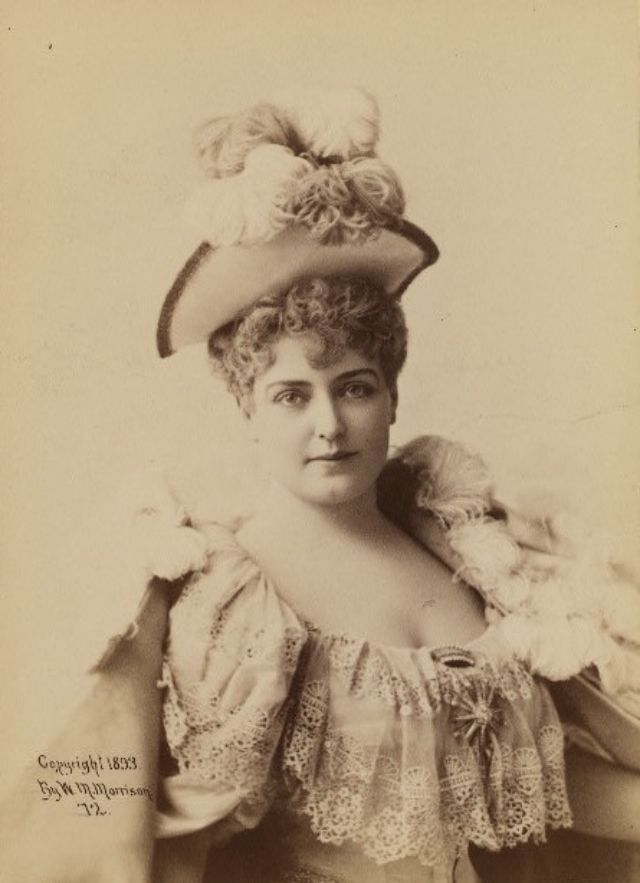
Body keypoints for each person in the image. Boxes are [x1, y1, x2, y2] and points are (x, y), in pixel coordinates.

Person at [2, 88, 637, 883]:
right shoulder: (235, 601)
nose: (330, 424)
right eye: (292, 396)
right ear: (248, 409)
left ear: (393, 395)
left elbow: (535, 786)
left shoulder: (462, 546)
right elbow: (168, 824)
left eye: (356, 387)